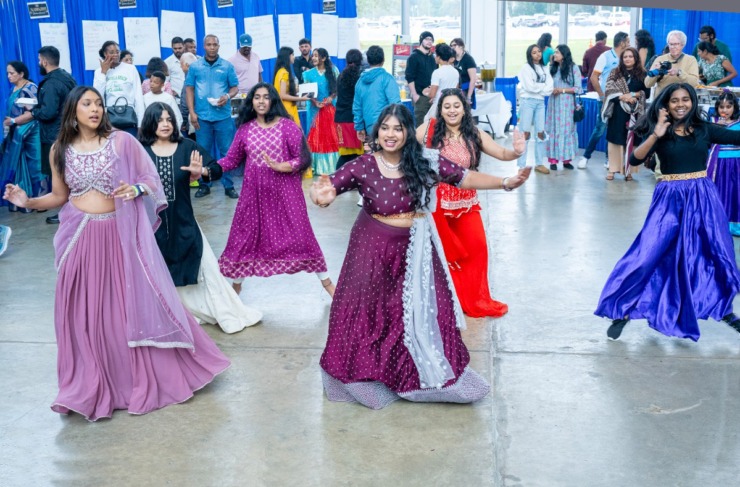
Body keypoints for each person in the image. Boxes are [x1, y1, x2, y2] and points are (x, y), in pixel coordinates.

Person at [3, 86, 231, 421]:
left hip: (118, 235)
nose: (94, 109)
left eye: (98, 103)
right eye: (86, 103)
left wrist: (135, 189)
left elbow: (149, 180)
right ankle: (93, 382)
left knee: (125, 308)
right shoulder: (60, 149)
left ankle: (132, 380)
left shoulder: (122, 142)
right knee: (85, 315)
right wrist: (28, 202)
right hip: (79, 237)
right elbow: (58, 196)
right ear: (73, 110)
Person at [309, 103, 531, 409]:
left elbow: (464, 177)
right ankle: (370, 371)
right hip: (371, 247)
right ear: (378, 132)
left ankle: (413, 373)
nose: (390, 134)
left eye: (397, 128)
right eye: (385, 127)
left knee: (423, 311)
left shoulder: (425, 161)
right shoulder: (363, 165)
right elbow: (329, 187)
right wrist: (320, 195)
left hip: (416, 248)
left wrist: (505, 182)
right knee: (367, 312)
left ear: (407, 132)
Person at [595, 83, 740, 341]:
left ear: (693, 102)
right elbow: (635, 160)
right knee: (649, 253)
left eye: (685, 99)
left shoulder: (704, 130)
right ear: (666, 104)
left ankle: (723, 309)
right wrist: (656, 133)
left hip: (703, 199)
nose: (680, 104)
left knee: (713, 253)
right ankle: (624, 309)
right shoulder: (659, 132)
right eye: (675, 100)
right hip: (669, 199)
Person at [183, 83, 334, 297]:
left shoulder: (288, 126)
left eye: (266, 97)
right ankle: (235, 291)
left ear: (273, 100)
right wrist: (205, 171)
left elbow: (303, 158)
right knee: (244, 240)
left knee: (303, 238)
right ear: (251, 102)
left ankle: (328, 284)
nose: (261, 101)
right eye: (257, 97)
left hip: (286, 196)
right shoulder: (245, 130)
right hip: (254, 197)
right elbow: (231, 160)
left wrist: (284, 166)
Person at [138, 102, 262, 332]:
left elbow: (215, 168)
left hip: (184, 221)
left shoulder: (186, 147)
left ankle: (213, 310)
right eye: (159, 120)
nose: (165, 124)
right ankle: (173, 311)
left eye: (168, 120)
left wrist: (201, 172)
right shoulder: (140, 152)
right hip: (152, 226)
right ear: (149, 123)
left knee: (205, 271)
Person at [417, 88, 526, 317]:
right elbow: (403, 143)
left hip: (466, 203)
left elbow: (502, 154)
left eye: (456, 105)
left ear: (464, 109)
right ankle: (447, 301)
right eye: (447, 106)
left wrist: (516, 152)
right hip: (437, 206)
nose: (452, 110)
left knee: (477, 249)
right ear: (441, 109)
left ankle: (474, 300)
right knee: (445, 255)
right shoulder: (430, 130)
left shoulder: (474, 134)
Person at [184, 34, 239, 199]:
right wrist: (192, 113)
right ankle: (204, 185)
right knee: (203, 153)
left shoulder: (227, 66)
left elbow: (235, 87)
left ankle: (228, 186)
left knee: (226, 152)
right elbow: (189, 89)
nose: (212, 47)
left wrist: (227, 97)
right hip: (202, 117)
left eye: (215, 44)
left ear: (219, 46)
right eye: (209, 44)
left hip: (223, 117)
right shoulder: (195, 67)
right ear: (204, 46)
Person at [32, 46, 77, 224]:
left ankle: (65, 212)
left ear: (44, 61)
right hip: (68, 132)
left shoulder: (50, 83)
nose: (38, 64)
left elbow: (49, 112)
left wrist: (34, 111)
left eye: (39, 60)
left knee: (58, 175)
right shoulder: (67, 77)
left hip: (53, 135)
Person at [577, 32, 630, 169]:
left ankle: (609, 159)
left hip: (621, 100)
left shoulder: (627, 58)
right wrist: (602, 95)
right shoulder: (605, 57)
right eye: (628, 42)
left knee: (614, 130)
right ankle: (586, 157)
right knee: (600, 129)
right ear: (622, 43)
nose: (629, 44)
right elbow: (594, 78)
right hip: (606, 100)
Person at [601, 47, 649, 181]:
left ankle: (629, 171)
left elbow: (647, 93)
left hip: (635, 112)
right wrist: (623, 97)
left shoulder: (643, 73)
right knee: (615, 140)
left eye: (631, 56)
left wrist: (633, 95)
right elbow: (609, 90)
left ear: (635, 58)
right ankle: (612, 169)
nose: (628, 59)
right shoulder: (615, 72)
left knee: (632, 140)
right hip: (617, 111)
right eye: (625, 57)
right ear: (621, 59)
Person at [1, 61, 43, 213]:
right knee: (19, 163)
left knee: (35, 165)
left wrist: (13, 121)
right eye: (7, 73)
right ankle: (22, 201)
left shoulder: (30, 88)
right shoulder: (14, 89)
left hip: (30, 132)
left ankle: (40, 201)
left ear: (21, 74)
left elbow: (33, 113)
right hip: (16, 133)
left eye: (12, 73)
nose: (8, 76)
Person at [93, 41, 146, 135]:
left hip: (128, 117)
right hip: (109, 119)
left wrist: (141, 123)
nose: (116, 54)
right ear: (105, 54)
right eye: (112, 52)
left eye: (117, 51)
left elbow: (138, 96)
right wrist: (103, 73)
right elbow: (97, 96)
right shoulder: (98, 72)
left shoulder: (131, 69)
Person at [707, 90, 740, 237]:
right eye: (721, 107)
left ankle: (735, 224)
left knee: (735, 192)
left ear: (735, 108)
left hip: (736, 164)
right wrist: (716, 128)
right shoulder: (712, 123)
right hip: (717, 165)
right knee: (720, 192)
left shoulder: (738, 124)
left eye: (728, 106)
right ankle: (719, 222)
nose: (724, 110)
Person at [353, 45, 401, 145]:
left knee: (374, 156)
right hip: (388, 127)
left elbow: (357, 107)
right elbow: (396, 105)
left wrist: (359, 127)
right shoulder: (387, 78)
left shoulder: (360, 81)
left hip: (369, 127)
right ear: (383, 60)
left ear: (368, 61)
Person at [516, 44, 553, 174]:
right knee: (524, 133)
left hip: (541, 103)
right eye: (534, 52)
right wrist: (542, 87)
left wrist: (539, 88)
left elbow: (550, 87)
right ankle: (521, 165)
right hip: (527, 102)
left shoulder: (544, 67)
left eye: (539, 51)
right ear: (529, 55)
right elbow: (529, 87)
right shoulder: (526, 68)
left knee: (540, 133)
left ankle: (539, 163)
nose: (537, 54)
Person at [303, 48, 340, 175]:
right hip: (315, 111)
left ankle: (332, 166)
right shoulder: (308, 74)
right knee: (315, 137)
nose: (313, 58)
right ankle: (316, 167)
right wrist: (314, 102)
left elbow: (337, 88)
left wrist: (330, 98)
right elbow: (306, 93)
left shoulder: (333, 71)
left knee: (331, 136)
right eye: (313, 56)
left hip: (330, 110)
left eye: (316, 56)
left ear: (323, 58)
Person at [545, 45, 582, 171]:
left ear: (564, 55)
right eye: (555, 52)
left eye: (557, 52)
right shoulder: (552, 68)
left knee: (566, 130)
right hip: (554, 104)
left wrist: (562, 90)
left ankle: (566, 160)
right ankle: (553, 160)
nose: (555, 54)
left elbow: (578, 88)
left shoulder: (573, 68)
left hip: (567, 105)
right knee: (554, 129)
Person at [645, 31, 700, 99]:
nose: (673, 47)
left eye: (676, 44)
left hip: (681, 101)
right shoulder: (660, 59)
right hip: (662, 100)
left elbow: (694, 83)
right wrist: (656, 72)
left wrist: (679, 73)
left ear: (683, 44)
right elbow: (647, 84)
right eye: (671, 44)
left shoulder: (690, 60)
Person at [334, 49, 364, 169]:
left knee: (347, 153)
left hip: (340, 119)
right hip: (354, 120)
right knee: (356, 153)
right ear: (360, 61)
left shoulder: (341, 76)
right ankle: (339, 178)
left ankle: (340, 178)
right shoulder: (360, 77)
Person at [405, 31, 437, 128]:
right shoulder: (414, 57)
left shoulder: (432, 57)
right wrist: (415, 95)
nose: (429, 41)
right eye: (427, 39)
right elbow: (409, 77)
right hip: (420, 97)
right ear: (421, 40)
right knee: (421, 126)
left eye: (431, 40)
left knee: (433, 125)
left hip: (432, 96)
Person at [422, 43, 459, 122]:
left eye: (435, 54)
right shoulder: (455, 72)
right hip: (450, 105)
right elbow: (456, 89)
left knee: (430, 125)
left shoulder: (437, 72)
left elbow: (432, 94)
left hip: (439, 106)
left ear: (438, 57)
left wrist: (425, 92)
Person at [273, 46, 309, 126]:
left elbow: (285, 91)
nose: (294, 57)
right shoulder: (284, 73)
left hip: (282, 108)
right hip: (287, 109)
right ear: (287, 57)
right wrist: (301, 98)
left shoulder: (280, 71)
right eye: (292, 55)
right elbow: (282, 95)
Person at [449, 38, 478, 108]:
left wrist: (469, 96)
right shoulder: (452, 59)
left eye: (454, 45)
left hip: (466, 89)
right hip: (455, 89)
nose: (452, 48)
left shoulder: (468, 59)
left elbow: (473, 80)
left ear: (461, 46)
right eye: (451, 46)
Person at [178, 52, 198, 139]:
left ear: (186, 65)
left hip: (191, 119)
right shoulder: (199, 76)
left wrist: (184, 121)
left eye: (181, 64)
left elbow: (185, 102)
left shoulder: (189, 78)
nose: (180, 67)